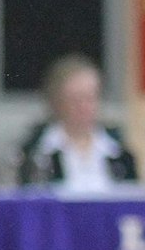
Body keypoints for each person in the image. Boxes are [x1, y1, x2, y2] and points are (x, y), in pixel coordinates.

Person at [16, 54, 138, 191]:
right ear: (57, 102)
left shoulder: (118, 151)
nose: (84, 107)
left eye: (90, 98)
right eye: (76, 100)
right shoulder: (39, 150)